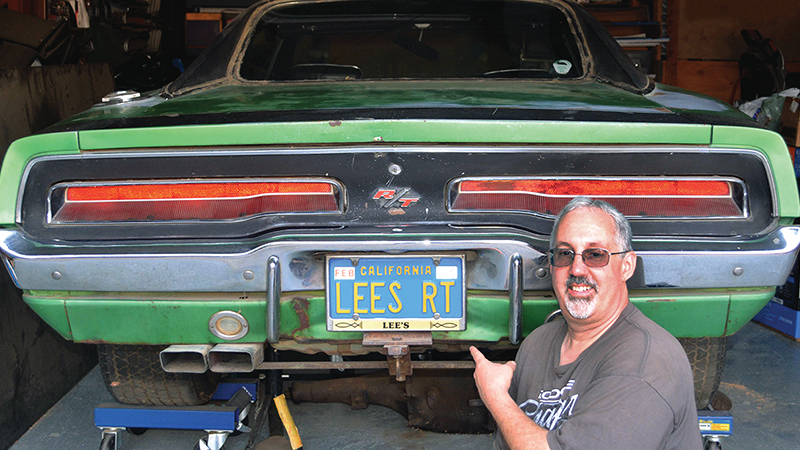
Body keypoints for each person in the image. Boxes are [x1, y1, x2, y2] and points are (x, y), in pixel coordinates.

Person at [471, 197, 702, 450]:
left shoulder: (646, 364)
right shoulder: (538, 342)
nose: (577, 269)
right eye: (565, 254)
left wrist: (495, 396)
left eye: (595, 255)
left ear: (626, 266)